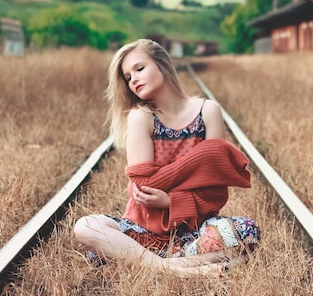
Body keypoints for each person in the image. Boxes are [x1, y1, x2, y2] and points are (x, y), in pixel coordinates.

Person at [74, 39, 259, 277]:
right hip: (141, 234)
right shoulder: (141, 117)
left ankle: (147, 264)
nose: (134, 80)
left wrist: (171, 201)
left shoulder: (207, 111)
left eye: (139, 69)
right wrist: (198, 164)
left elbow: (215, 193)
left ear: (162, 64)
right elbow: (143, 188)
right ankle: (175, 269)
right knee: (87, 227)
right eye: (128, 77)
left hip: (193, 235)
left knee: (247, 231)